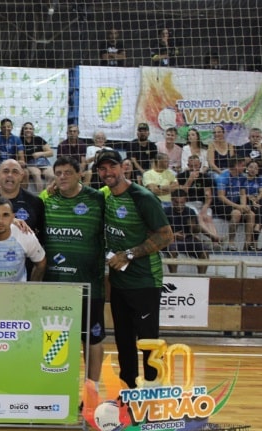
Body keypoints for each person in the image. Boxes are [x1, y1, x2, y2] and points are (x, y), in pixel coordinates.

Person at [96, 149, 173, 389]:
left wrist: (129, 254)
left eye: (112, 167)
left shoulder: (142, 197)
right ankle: (129, 392)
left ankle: (153, 390)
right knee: (124, 341)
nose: (108, 172)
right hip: (119, 283)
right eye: (102, 168)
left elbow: (166, 236)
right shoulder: (103, 195)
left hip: (145, 282)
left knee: (148, 341)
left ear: (124, 167)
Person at [39, 156, 106, 401]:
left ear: (80, 174)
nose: (63, 176)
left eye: (68, 172)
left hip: (90, 286)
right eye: (59, 173)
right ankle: (54, 392)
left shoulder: (98, 199)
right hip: (54, 286)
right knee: (54, 338)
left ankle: (91, 394)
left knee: (92, 338)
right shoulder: (46, 199)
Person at [0, 159, 45, 238]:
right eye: (6, 171)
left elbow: (40, 236)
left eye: (15, 172)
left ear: (22, 176)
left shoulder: (35, 203)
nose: (10, 175)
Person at [165, 189, 219, 274]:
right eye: (176, 202)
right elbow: (159, 231)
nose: (179, 205)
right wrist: (174, 235)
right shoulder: (166, 212)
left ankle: (202, 278)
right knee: (172, 250)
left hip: (188, 239)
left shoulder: (190, 211)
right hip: (171, 240)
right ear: (172, 200)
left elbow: (196, 230)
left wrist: (194, 227)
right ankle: (173, 276)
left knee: (204, 252)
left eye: (182, 202)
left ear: (185, 201)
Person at [213, 157, 255, 251]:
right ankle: (231, 243)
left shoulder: (242, 177)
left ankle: (247, 245)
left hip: (236, 203)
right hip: (222, 204)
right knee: (236, 213)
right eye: (242, 165)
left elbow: (243, 193)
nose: (244, 167)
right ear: (236, 166)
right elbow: (221, 197)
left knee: (251, 214)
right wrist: (238, 207)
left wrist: (243, 206)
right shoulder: (223, 177)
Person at [0, 118, 25, 185]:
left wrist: (20, 163)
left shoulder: (16, 139)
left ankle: (21, 194)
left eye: (8, 127)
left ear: (12, 127)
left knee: (26, 173)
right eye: (4, 127)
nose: (6, 129)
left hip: (11, 165)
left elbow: (21, 156)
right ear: (1, 127)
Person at [20, 122, 54, 192]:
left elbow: (51, 153)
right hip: (30, 163)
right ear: (23, 130)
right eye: (26, 128)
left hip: (43, 162)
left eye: (30, 128)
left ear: (33, 130)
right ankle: (40, 197)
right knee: (36, 174)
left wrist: (40, 153)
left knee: (51, 175)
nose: (28, 130)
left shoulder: (38, 139)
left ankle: (47, 195)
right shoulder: (20, 140)